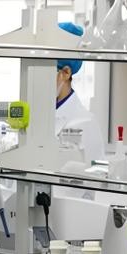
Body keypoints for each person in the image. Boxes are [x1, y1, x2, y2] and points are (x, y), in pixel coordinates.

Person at [55, 22, 106, 164]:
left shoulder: (87, 123)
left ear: (66, 73)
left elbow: (95, 173)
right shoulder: (37, 113)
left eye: (46, 70)